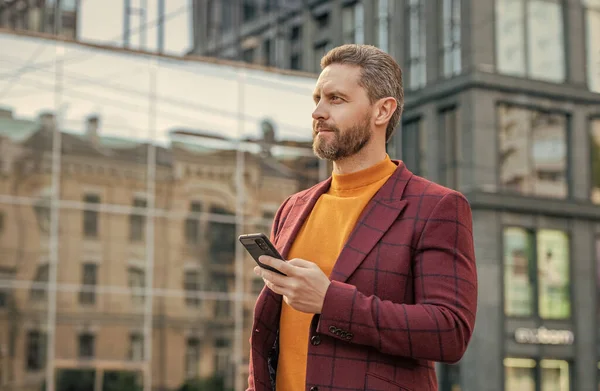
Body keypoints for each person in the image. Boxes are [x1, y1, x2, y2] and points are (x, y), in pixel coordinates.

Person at [246, 44, 478, 391]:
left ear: (382, 111)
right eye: (316, 99)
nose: (318, 113)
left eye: (336, 99)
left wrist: (330, 302)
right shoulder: (293, 208)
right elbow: (272, 339)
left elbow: (449, 331)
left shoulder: (435, 207)